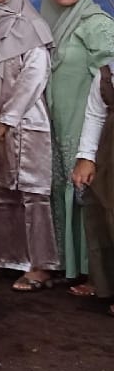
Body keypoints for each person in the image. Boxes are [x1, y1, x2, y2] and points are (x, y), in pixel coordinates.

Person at [0, 0, 59, 291]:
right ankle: (5, 258)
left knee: (33, 194)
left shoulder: (32, 26)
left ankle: (40, 266)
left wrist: (6, 121)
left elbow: (33, 79)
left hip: (25, 124)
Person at [40, 0, 114, 296]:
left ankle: (94, 274)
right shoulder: (51, 25)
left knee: (89, 192)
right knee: (65, 189)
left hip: (88, 122)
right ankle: (71, 265)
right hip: (58, 120)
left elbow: (107, 80)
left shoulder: (97, 24)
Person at [71, 59, 114, 316]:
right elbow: (95, 115)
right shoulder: (107, 74)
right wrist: (86, 157)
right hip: (110, 156)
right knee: (106, 221)